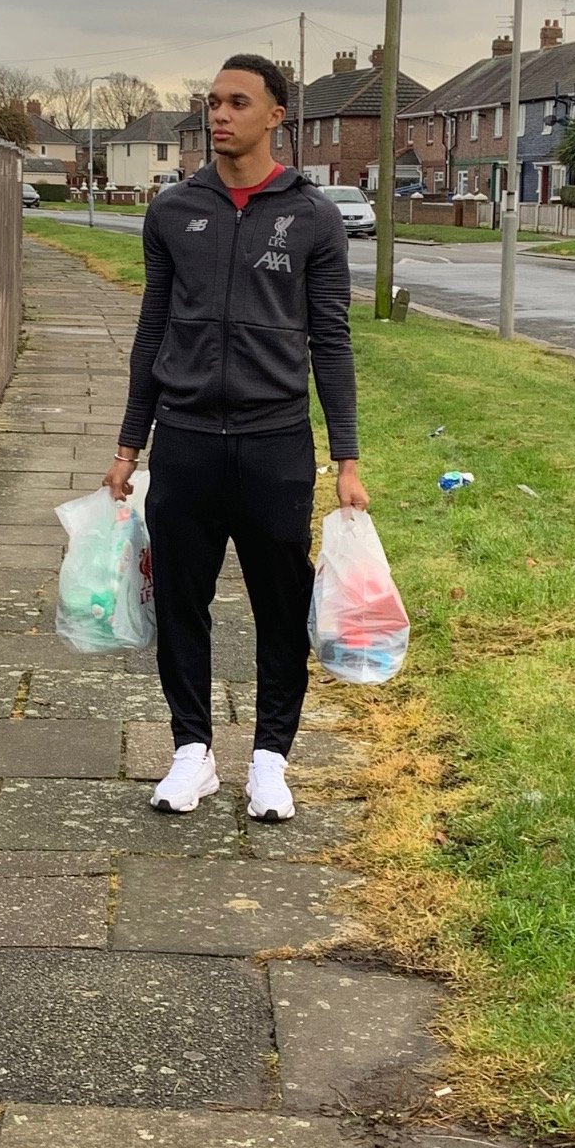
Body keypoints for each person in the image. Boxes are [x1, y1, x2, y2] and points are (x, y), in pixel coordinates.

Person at [103, 54, 369, 823]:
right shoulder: (173, 211)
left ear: (276, 115)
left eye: (237, 102)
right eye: (212, 102)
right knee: (180, 600)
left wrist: (346, 459)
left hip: (274, 443)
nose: (219, 115)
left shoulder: (313, 216)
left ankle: (269, 761)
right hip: (184, 439)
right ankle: (192, 753)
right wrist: (129, 446)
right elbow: (153, 330)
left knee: (280, 605)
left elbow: (332, 339)